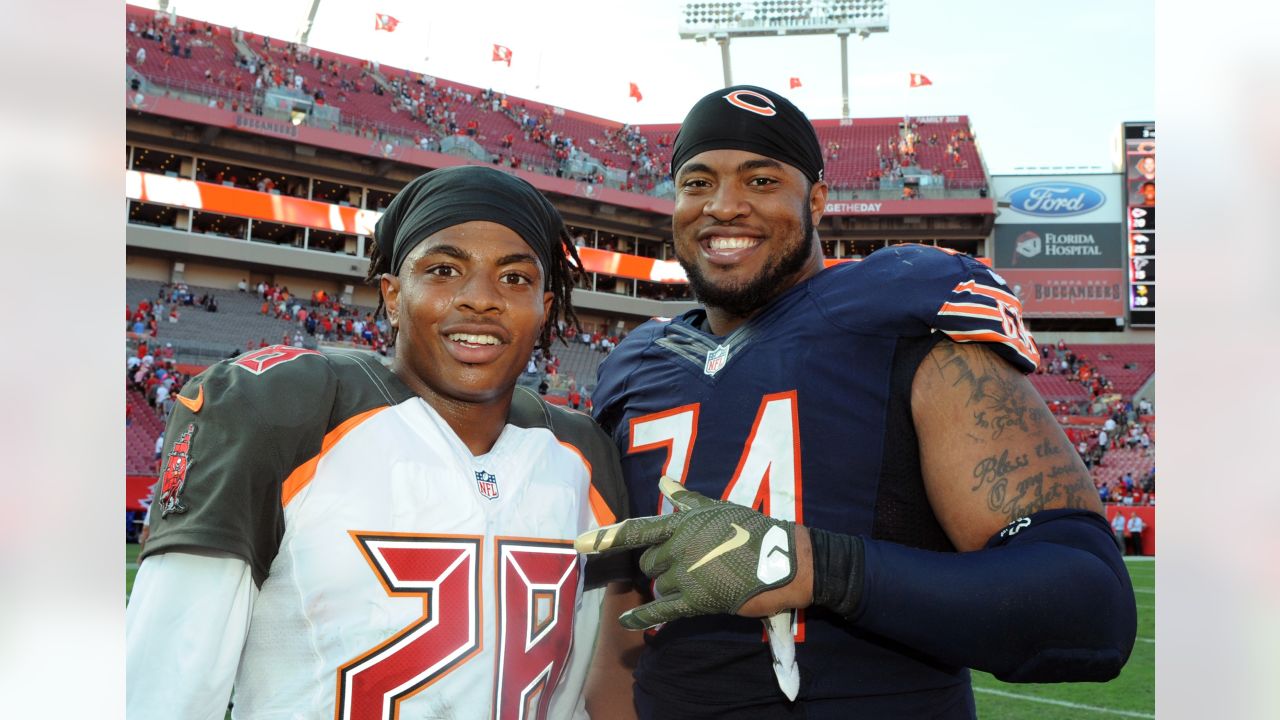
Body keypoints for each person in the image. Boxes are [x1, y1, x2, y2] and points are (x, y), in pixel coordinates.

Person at [578, 85, 1136, 718]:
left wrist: (818, 568)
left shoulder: (902, 319)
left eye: (761, 181)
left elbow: (1091, 609)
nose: (724, 206)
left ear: (816, 199)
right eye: (698, 182)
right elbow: (624, 623)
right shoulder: (636, 364)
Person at [126, 165, 632, 719]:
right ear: (392, 295)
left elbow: (590, 688)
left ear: (546, 308)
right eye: (443, 270)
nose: (481, 299)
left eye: (515, 278)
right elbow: (165, 684)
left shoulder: (582, 454)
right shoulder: (292, 409)